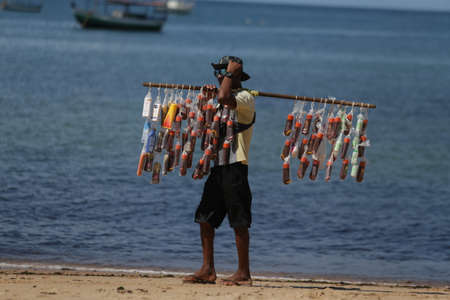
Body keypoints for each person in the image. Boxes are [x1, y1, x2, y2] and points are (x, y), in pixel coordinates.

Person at [183, 56, 256, 286]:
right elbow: (203, 121)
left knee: (239, 220)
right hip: (218, 166)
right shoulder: (218, 99)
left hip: (236, 166)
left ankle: (243, 273)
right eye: (217, 73)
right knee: (205, 217)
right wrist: (205, 98)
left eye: (223, 73)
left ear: (235, 77)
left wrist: (227, 78)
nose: (218, 77)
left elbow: (225, 97)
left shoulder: (245, 98)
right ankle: (207, 270)